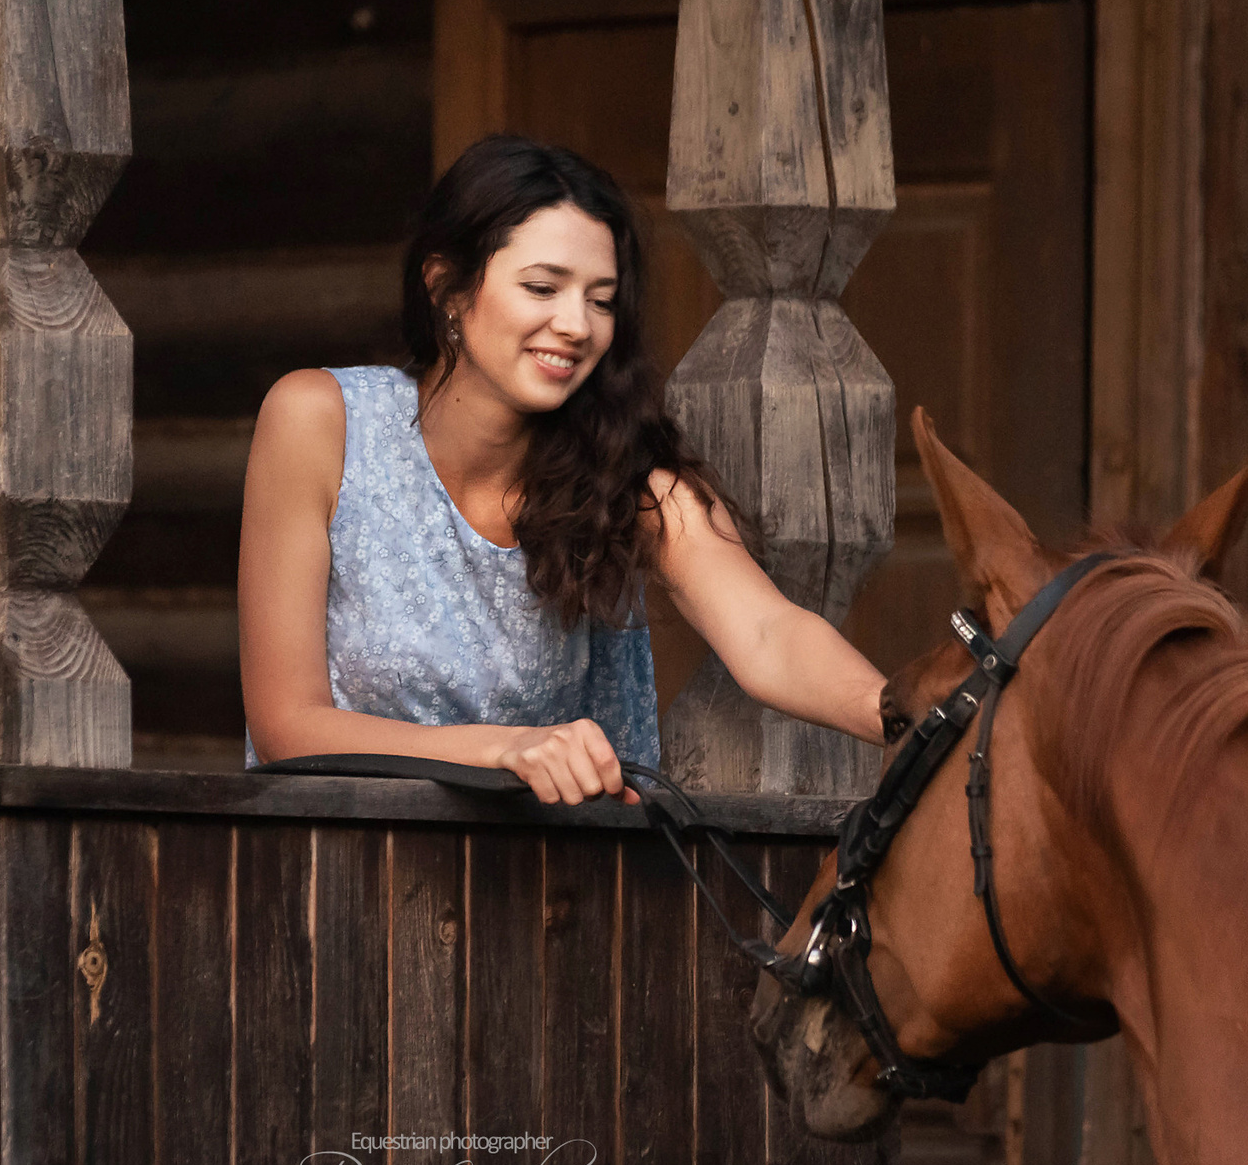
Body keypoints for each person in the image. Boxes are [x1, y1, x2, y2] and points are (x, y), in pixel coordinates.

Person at [238, 134, 886, 804]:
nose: (577, 324)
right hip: (328, 873)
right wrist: (504, 748)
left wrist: (905, 715)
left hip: (546, 887)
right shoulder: (319, 421)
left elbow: (767, 633)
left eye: (601, 300)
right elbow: (288, 725)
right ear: (446, 289)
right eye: (543, 287)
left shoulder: (621, 473)